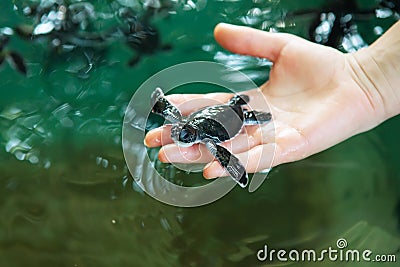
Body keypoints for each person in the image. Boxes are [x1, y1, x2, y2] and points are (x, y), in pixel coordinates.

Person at [144, 21, 400, 179]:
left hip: (234, 117)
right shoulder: (191, 128)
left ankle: (247, 112)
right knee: (240, 113)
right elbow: (178, 121)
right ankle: (242, 109)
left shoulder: (211, 141)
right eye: (184, 135)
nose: (181, 136)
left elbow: (221, 152)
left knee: (246, 118)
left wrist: (371, 78)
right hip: (227, 113)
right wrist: (371, 79)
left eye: (184, 136)